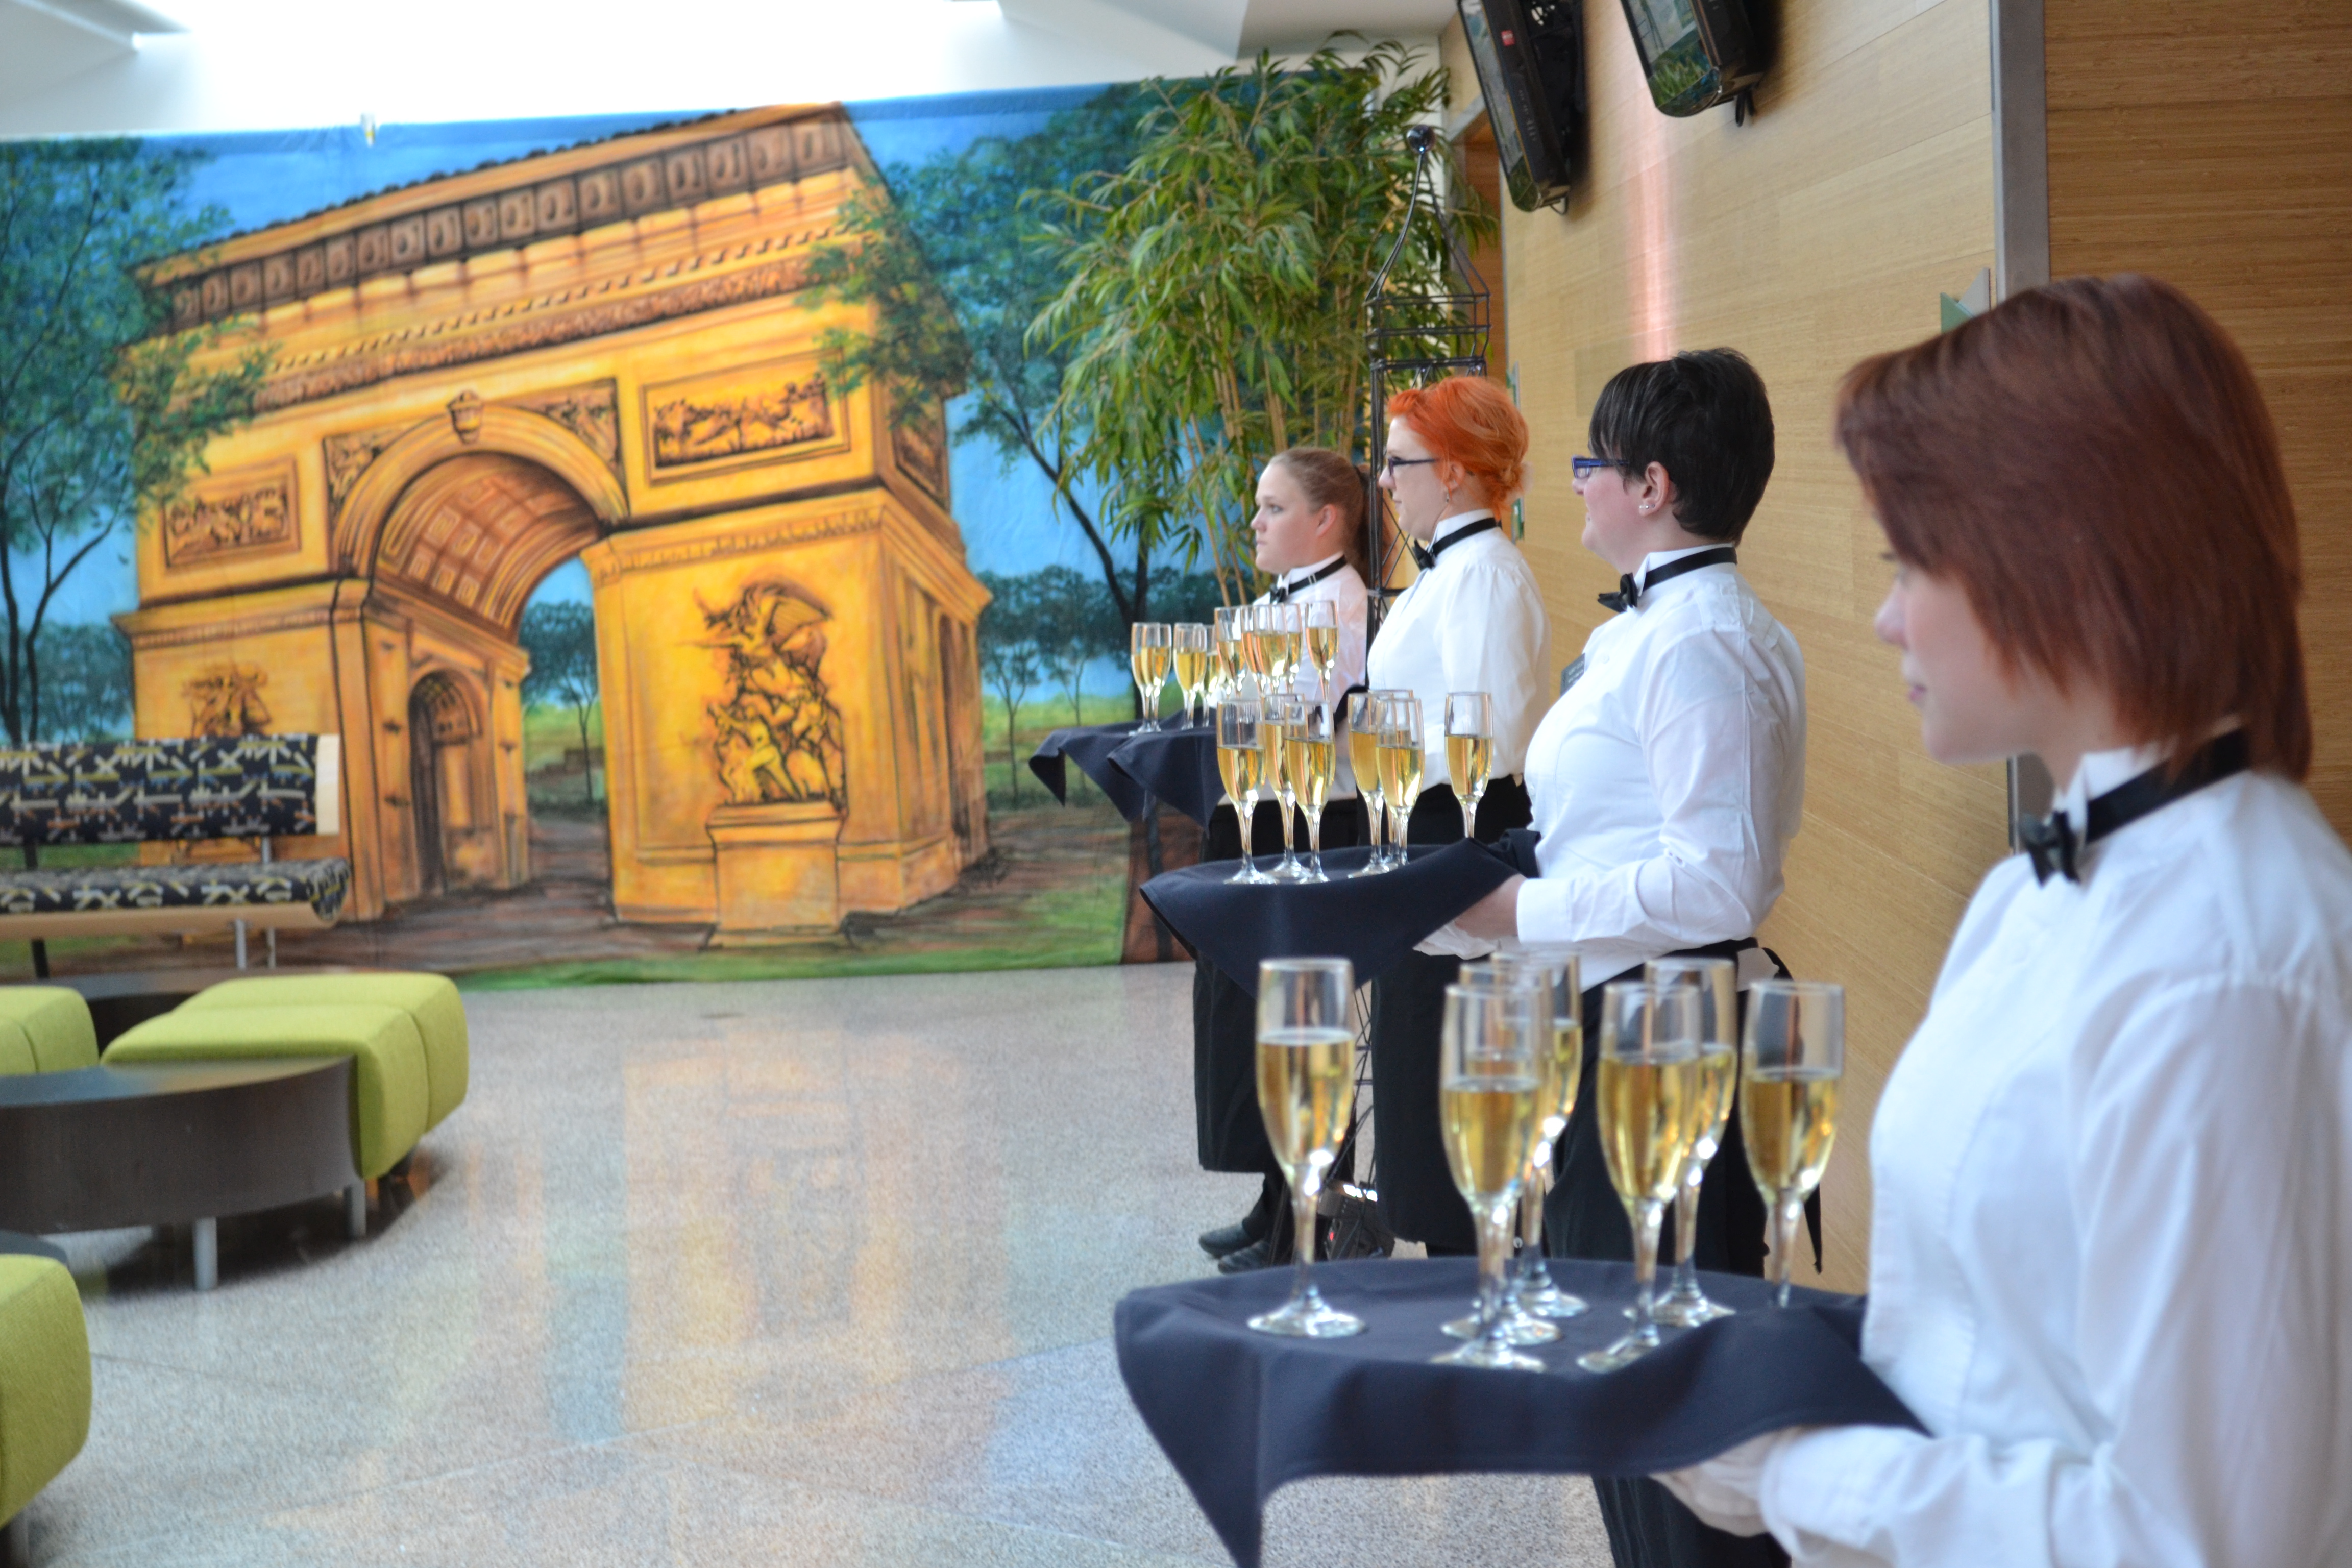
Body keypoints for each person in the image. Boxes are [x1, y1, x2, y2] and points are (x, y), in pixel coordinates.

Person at [1655, 275, 2352, 1566]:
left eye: (1910, 563)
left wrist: (1797, 1472)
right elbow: (1999, 1344)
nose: (1885, 618)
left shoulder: (2227, 963)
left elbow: (2204, 1543)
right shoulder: (2041, 888)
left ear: (2061, 557)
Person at [1450, 347, 1804, 1568]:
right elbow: (1613, 830)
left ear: (1653, 486)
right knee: (1620, 1378)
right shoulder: (1653, 629)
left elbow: (1721, 881)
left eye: (1592, 462)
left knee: (1667, 1397)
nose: (1577, 482)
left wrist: (1524, 913)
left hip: (1670, 1034)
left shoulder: (1703, 640)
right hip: (1622, 1019)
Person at [1361, 374, 1550, 1257]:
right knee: (1417, 1087)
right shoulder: (1451, 570)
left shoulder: (1484, 576)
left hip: (1458, 837)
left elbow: (1494, 736)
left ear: (1455, 471)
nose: (1384, 481)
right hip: (1424, 834)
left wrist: (1381, 750)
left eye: (1397, 462)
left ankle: (1468, 1294)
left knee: (1449, 1096)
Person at [1195, 448, 1374, 1274]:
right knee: (1259, 1020)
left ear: (1325, 520)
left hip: (1307, 822)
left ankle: (1307, 1226)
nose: (1256, 523)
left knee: (1301, 1021)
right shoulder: (1286, 600)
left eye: (1273, 508)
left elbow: (1294, 716)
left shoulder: (1341, 607)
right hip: (1264, 813)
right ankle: (1275, 1203)